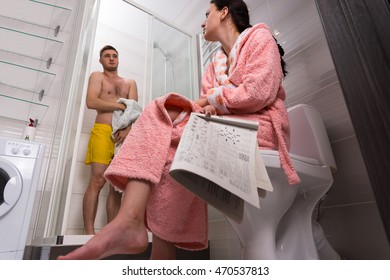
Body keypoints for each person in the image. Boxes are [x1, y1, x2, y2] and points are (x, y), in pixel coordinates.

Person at [58, 0, 299, 260]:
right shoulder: (214, 64)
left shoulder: (259, 38)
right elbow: (213, 103)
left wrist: (209, 102)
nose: (203, 21)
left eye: (208, 14)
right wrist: (210, 105)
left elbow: (257, 93)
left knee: (163, 109)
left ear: (224, 11)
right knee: (166, 145)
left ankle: (132, 225)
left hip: (261, 129)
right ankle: (159, 252)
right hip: (227, 129)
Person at [83, 45, 138, 235]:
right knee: (97, 181)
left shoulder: (129, 83)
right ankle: (89, 233)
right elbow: (91, 102)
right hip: (102, 130)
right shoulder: (97, 77)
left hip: (123, 136)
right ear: (101, 60)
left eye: (115, 55)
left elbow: (135, 111)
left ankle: (111, 233)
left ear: (118, 59)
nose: (111, 58)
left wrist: (128, 129)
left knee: (116, 186)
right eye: (107, 56)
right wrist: (121, 106)